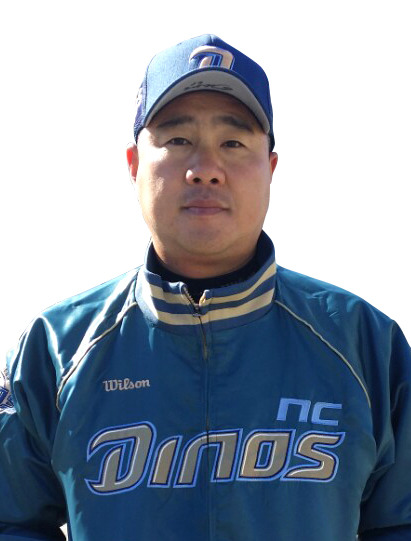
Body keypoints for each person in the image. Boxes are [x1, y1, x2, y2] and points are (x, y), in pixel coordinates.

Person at [0, 34, 410, 541]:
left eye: (233, 143)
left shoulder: (365, 344)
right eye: (177, 141)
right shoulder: (55, 350)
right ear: (134, 165)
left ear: (270, 168)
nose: (204, 171)